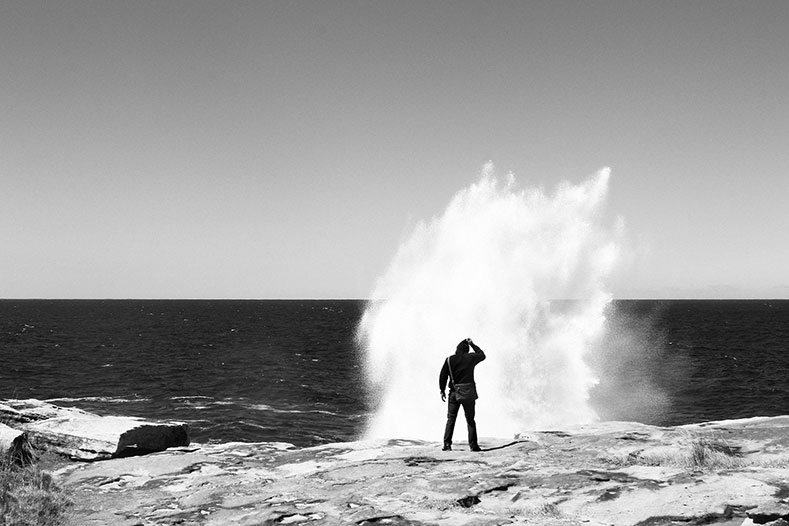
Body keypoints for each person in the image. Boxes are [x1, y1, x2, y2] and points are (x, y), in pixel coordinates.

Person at [438, 338, 486, 451]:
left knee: (451, 419)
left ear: (457, 349)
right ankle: (473, 446)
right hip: (468, 393)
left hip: (454, 393)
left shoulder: (449, 360)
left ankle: (447, 444)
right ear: (467, 350)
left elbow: (443, 376)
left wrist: (442, 390)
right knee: (470, 419)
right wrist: (473, 344)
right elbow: (482, 355)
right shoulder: (470, 358)